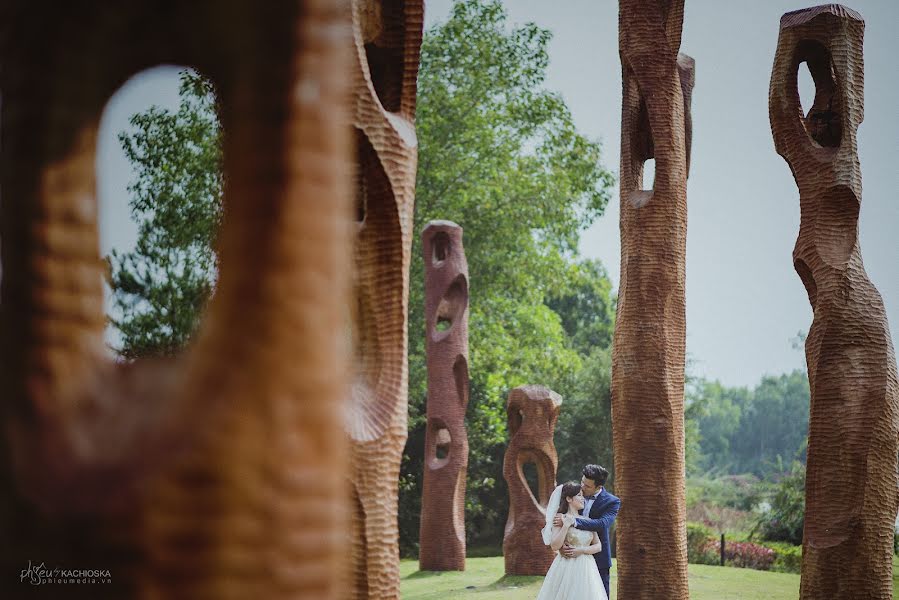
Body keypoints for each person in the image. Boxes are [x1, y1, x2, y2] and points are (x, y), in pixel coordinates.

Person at [554, 464, 620, 597]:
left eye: (587, 486)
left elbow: (602, 524)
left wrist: (573, 521)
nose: (582, 487)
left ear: (599, 487)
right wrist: (562, 546)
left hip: (598, 559)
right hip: (570, 561)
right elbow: (557, 525)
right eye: (582, 482)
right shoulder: (575, 495)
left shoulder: (612, 502)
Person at [536, 481, 608, 600]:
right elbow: (554, 546)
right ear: (569, 499)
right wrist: (565, 526)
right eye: (579, 495)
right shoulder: (559, 518)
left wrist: (581, 550)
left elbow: (598, 546)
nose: (583, 499)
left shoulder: (587, 520)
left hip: (587, 568)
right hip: (566, 568)